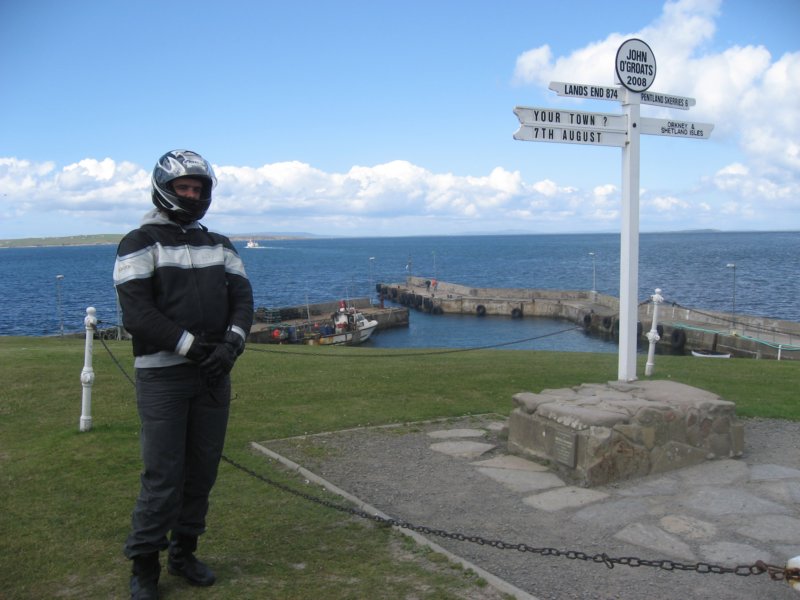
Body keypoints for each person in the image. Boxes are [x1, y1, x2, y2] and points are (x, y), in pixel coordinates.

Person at [113, 150, 254, 599]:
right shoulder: (138, 243)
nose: (192, 195)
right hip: (163, 377)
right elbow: (138, 314)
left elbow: (243, 300)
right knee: (163, 475)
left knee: (202, 471)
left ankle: (184, 553)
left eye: (198, 188)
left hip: (214, 374)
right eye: (184, 188)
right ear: (164, 189)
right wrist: (193, 348)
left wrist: (230, 346)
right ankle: (144, 566)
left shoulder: (221, 245)